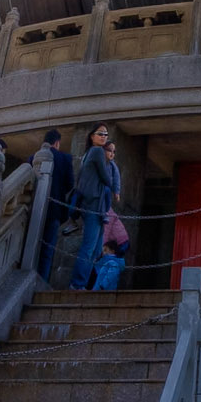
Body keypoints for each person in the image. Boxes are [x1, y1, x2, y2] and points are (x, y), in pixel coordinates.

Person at [69, 123, 119, 292]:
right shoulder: (97, 152)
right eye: (100, 134)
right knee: (89, 247)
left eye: (106, 134)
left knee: (96, 248)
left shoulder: (88, 153)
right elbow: (107, 179)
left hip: (92, 205)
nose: (104, 136)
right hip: (93, 205)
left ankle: (83, 283)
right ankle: (77, 284)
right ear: (92, 136)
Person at [38, 129, 76, 282]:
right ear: (57, 142)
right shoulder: (64, 159)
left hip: (34, 209)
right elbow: (69, 184)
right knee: (47, 249)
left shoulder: (33, 157)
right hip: (54, 208)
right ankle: (41, 280)